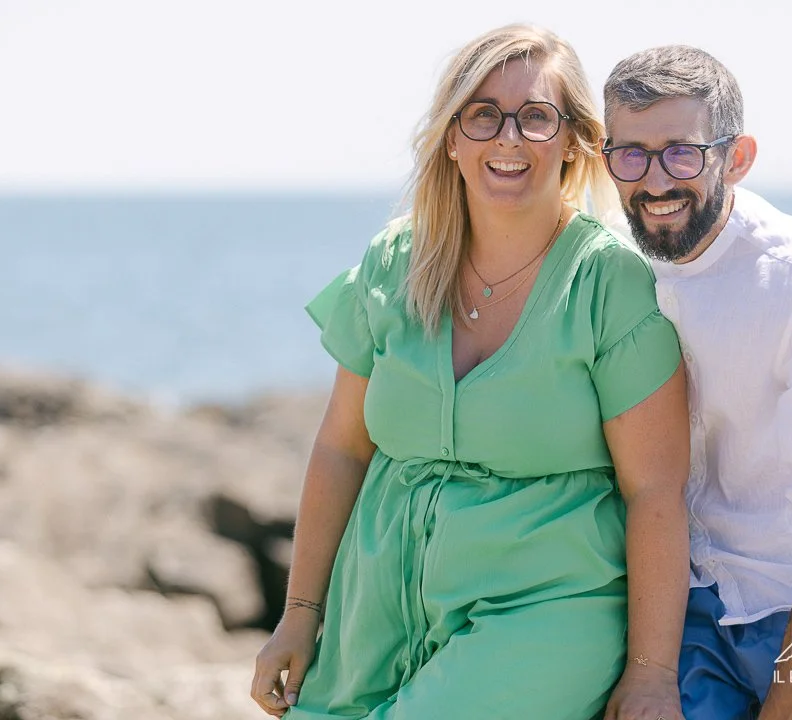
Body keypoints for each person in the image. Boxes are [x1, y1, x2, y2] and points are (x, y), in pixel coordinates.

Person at [251, 24, 691, 720]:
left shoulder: (610, 283)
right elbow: (341, 447)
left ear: (574, 141)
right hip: (374, 614)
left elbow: (656, 491)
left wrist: (651, 673)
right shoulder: (393, 263)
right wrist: (301, 614)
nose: (508, 137)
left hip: (543, 610)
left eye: (536, 116)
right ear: (452, 137)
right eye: (483, 114)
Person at [601, 45, 792, 720]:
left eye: (681, 154)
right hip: (690, 612)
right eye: (631, 155)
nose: (655, 181)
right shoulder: (615, 268)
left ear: (736, 158)